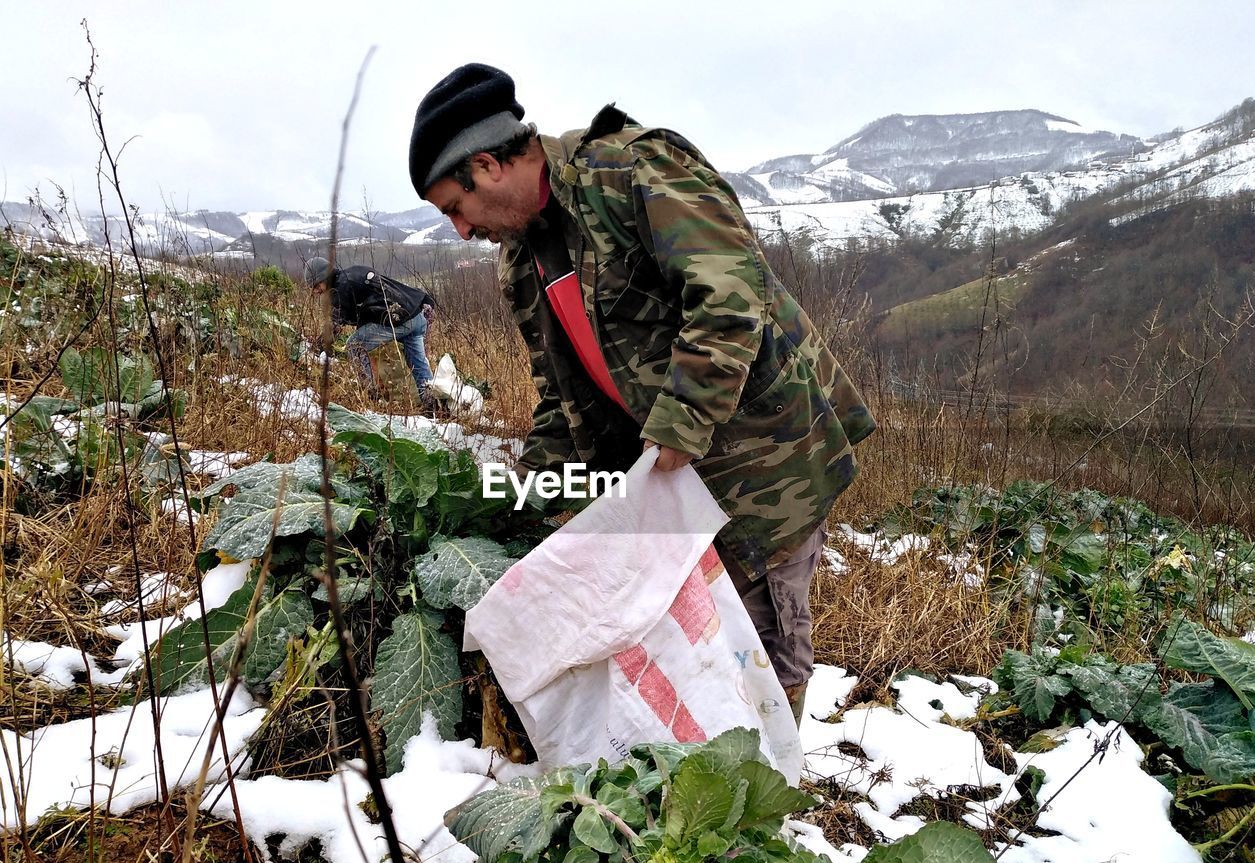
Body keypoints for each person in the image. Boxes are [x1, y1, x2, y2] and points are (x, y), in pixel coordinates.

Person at [407, 64, 875, 722]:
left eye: (456, 208)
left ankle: (774, 803)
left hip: (761, 469)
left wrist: (680, 421)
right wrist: (532, 495)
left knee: (762, 651)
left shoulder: (630, 173)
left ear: (487, 165)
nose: (461, 229)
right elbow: (559, 398)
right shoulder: (524, 258)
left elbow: (729, 296)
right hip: (663, 488)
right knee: (693, 650)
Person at [302, 256, 440, 409]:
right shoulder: (352, 274)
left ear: (324, 277)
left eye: (316, 285)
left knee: (355, 345)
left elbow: (335, 324)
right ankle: (433, 406)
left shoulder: (341, 288)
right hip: (417, 316)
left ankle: (371, 396)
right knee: (419, 365)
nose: (316, 291)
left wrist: (318, 348)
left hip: (399, 320)